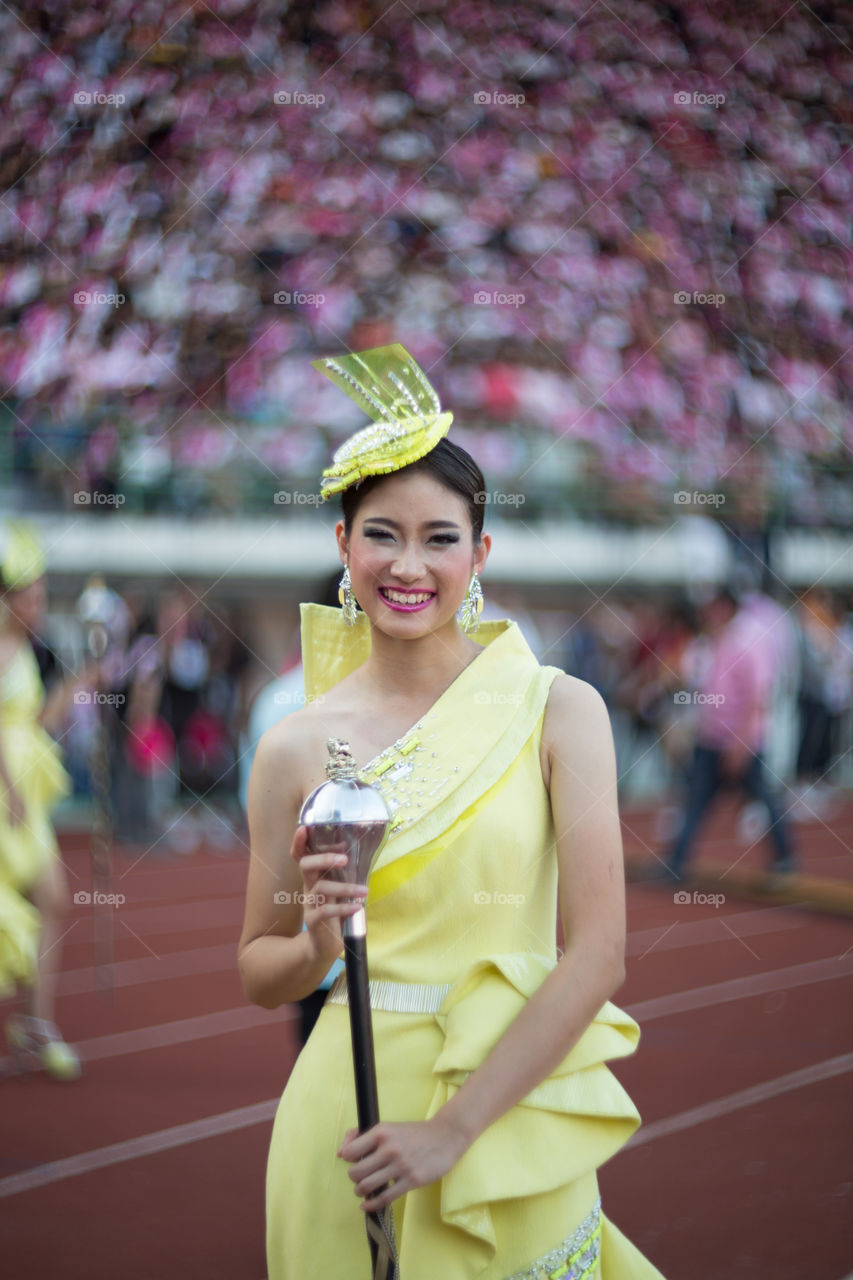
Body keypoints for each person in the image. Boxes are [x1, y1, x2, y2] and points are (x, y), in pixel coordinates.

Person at [239, 345, 666, 1278]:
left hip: (503, 1113)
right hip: (344, 1121)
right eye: (381, 533)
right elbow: (259, 971)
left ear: (478, 554)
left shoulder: (561, 708)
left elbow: (598, 951)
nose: (408, 564)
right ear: (343, 545)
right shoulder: (294, 745)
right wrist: (315, 940)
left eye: (439, 537)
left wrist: (452, 1130)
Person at [0, 522, 80, 1079]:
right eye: (32, 596)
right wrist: (8, 790)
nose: (40, 604)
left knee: (54, 903)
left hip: (25, 795)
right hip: (7, 799)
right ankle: (34, 1025)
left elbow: (29, 723)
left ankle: (35, 1025)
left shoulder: (25, 646)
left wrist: (80, 687)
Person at [658, 586, 797, 882]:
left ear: (724, 608)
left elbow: (758, 698)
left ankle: (786, 858)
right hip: (711, 738)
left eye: (711, 607)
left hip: (740, 740)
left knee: (763, 797)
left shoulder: (749, 642)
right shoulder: (714, 641)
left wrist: (741, 744)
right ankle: (676, 861)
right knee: (696, 799)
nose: (705, 614)